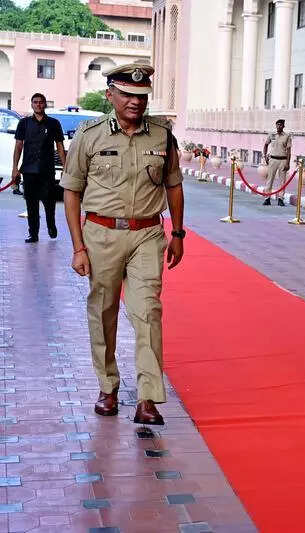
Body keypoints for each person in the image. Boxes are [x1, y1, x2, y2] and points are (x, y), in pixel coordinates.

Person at [60, 63, 185, 425]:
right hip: (101, 235)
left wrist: (178, 233)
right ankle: (108, 386)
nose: (135, 102)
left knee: (148, 311)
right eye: (127, 94)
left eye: (141, 96)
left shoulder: (162, 135)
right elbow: (71, 191)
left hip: (147, 234)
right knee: (103, 312)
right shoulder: (89, 135)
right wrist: (78, 247)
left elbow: (173, 185)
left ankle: (148, 397)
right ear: (110, 94)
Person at [11, 93, 66, 243]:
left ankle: (51, 226)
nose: (38, 105)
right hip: (29, 170)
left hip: (46, 170)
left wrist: (65, 167)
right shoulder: (24, 123)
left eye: (41, 102)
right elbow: (18, 146)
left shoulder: (53, 123)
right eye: (35, 102)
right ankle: (33, 234)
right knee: (31, 204)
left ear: (45, 104)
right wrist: (15, 168)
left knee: (49, 202)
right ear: (32, 104)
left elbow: (60, 146)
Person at [263, 119, 292, 206]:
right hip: (273, 159)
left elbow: (289, 150)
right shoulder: (272, 135)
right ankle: (267, 198)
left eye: (280, 125)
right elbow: (266, 145)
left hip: (283, 160)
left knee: (282, 181)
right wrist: (265, 156)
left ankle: (280, 199)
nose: (279, 126)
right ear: (276, 125)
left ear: (283, 126)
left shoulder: (287, 136)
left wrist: (288, 163)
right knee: (270, 179)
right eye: (277, 124)